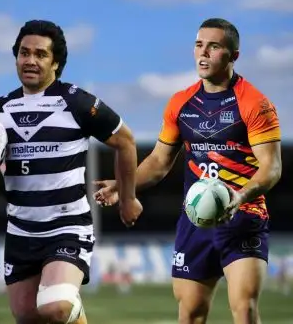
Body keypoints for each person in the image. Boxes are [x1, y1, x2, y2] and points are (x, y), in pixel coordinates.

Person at [0, 19, 142, 324]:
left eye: (40, 54)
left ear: (56, 63)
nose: (30, 60)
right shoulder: (0, 109)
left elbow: (126, 141)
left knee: (55, 307)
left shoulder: (76, 102)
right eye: (24, 53)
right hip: (20, 232)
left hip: (67, 226)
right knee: (29, 316)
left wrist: (128, 196)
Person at [94, 18, 282, 324]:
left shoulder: (255, 104)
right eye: (198, 45)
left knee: (245, 310)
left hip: (244, 217)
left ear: (233, 55)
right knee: (190, 314)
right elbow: (157, 162)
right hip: (195, 221)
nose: (203, 53)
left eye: (214, 46)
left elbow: (271, 168)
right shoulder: (181, 103)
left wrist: (240, 196)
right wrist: (122, 186)